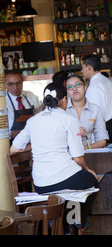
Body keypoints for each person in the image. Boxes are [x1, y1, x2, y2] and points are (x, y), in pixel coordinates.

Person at [10, 82, 98, 226]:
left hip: (41, 184)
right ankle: (74, 223)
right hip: (64, 178)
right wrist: (88, 170)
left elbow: (14, 149)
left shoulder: (33, 121)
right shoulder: (68, 120)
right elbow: (77, 158)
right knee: (92, 181)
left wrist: (40, 143)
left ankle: (64, 222)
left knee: (75, 187)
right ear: (64, 100)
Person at [81, 54, 112, 143]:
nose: (81, 71)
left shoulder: (94, 86)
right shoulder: (105, 80)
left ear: (89, 67)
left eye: (83, 67)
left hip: (103, 127)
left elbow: (95, 112)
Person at [65, 74, 109, 150]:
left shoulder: (95, 109)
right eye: (70, 87)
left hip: (89, 152)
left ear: (85, 87)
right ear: (67, 92)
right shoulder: (63, 110)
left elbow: (102, 140)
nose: (74, 88)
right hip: (67, 155)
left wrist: (85, 148)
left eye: (78, 84)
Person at [5, 70, 40, 140]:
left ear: (22, 82)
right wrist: (9, 134)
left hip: (33, 139)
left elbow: (39, 117)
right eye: (11, 84)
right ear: (5, 84)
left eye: (18, 83)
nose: (15, 87)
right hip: (12, 142)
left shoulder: (30, 96)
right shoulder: (2, 101)